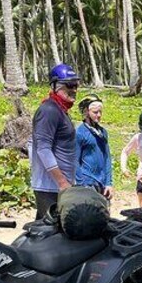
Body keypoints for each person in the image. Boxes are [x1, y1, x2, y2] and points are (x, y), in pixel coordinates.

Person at [30, 64, 80, 220]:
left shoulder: (60, 110)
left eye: (76, 85)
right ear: (55, 86)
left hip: (59, 186)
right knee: (49, 235)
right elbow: (43, 149)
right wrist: (62, 182)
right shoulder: (49, 110)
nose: (74, 90)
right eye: (69, 85)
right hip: (51, 187)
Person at [75, 94, 114, 200]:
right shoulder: (80, 133)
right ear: (86, 112)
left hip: (102, 182)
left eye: (100, 112)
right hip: (87, 181)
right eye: (95, 112)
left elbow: (107, 158)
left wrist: (109, 183)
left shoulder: (103, 132)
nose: (99, 115)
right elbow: (75, 160)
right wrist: (80, 184)